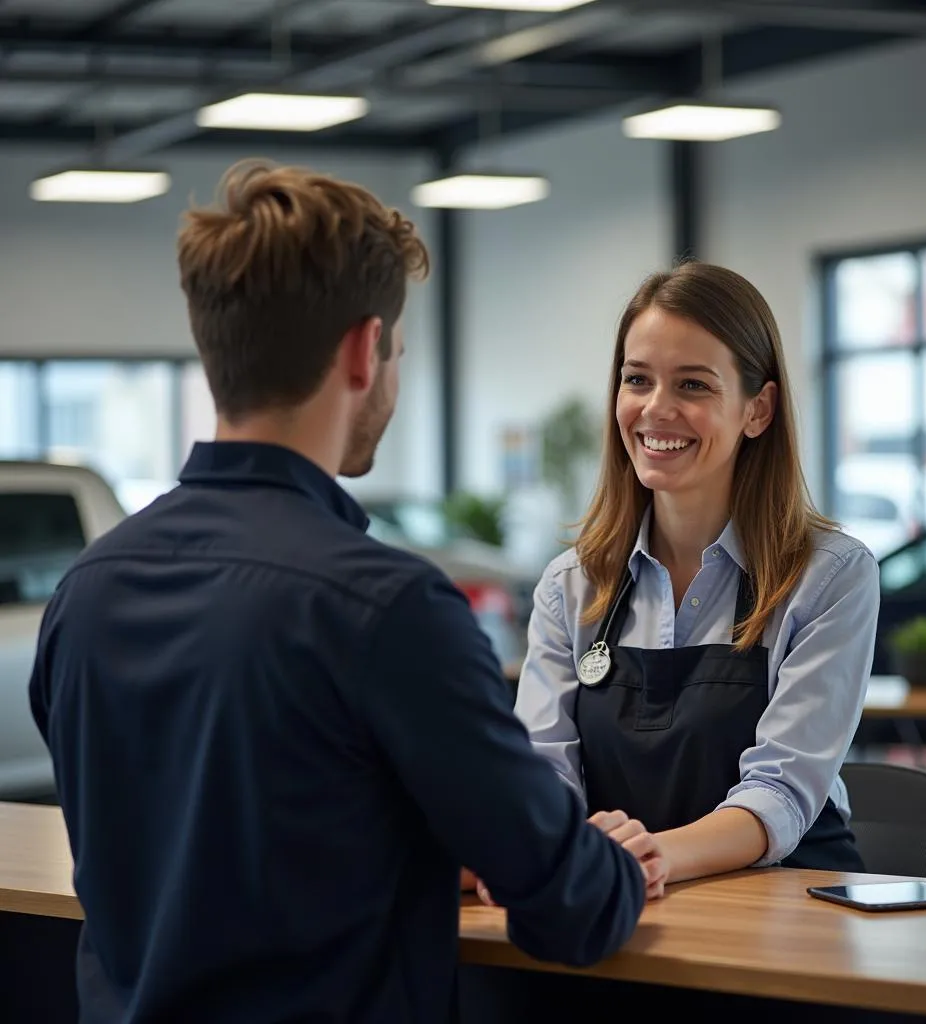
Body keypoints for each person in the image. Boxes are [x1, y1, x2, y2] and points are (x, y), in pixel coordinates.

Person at [28, 159, 660, 1024]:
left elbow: (225, 839)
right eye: (397, 352)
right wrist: (618, 862)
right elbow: (569, 908)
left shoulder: (86, 591)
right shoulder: (386, 607)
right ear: (365, 351)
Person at [513, 260, 880, 885]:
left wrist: (647, 857)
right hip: (621, 904)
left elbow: (781, 794)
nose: (656, 410)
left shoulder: (831, 576)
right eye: (637, 379)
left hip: (785, 916)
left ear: (758, 409)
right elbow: (542, 772)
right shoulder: (570, 585)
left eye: (693, 385)